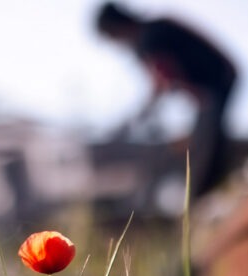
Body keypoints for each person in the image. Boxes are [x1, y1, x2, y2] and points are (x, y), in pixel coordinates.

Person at [96, 1, 238, 197]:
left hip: (217, 81)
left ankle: (206, 198)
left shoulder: (149, 37)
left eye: (112, 36)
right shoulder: (154, 30)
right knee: (205, 143)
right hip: (215, 82)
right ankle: (209, 194)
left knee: (206, 149)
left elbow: (164, 78)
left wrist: (140, 115)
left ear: (117, 27)